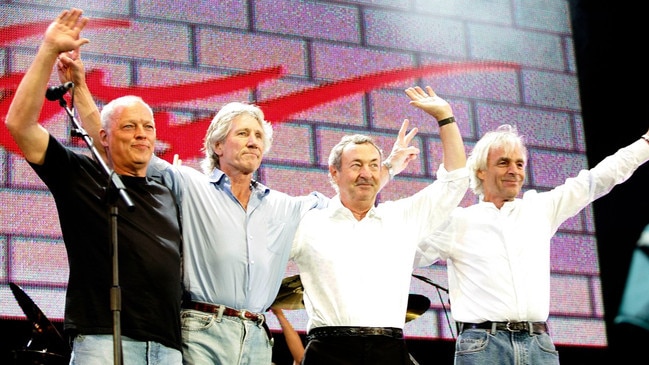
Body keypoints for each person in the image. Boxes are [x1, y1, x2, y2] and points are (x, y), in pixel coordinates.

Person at [60, 44, 417, 365]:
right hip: (201, 330)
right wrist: (81, 88)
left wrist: (386, 170)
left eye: (259, 136)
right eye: (243, 133)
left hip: (257, 338)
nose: (253, 141)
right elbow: (114, 145)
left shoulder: (286, 206)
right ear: (218, 145)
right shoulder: (189, 185)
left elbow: (351, 193)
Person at [4, 8, 184, 365]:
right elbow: (19, 124)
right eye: (130, 127)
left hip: (167, 347)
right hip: (103, 339)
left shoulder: (166, 186)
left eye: (148, 127)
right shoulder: (80, 174)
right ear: (104, 137)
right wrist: (48, 51)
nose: (142, 135)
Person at [418, 123, 649, 364]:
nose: (514, 170)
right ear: (480, 171)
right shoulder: (458, 221)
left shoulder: (540, 209)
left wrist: (646, 143)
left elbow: (598, 179)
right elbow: (405, 253)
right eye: (503, 162)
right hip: (483, 346)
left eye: (519, 164)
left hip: (538, 344)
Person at [289, 86, 469, 365]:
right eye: (356, 165)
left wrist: (446, 117)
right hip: (328, 351)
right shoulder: (309, 223)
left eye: (374, 165)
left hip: (389, 350)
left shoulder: (401, 218)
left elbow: (455, 181)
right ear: (334, 173)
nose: (367, 173)